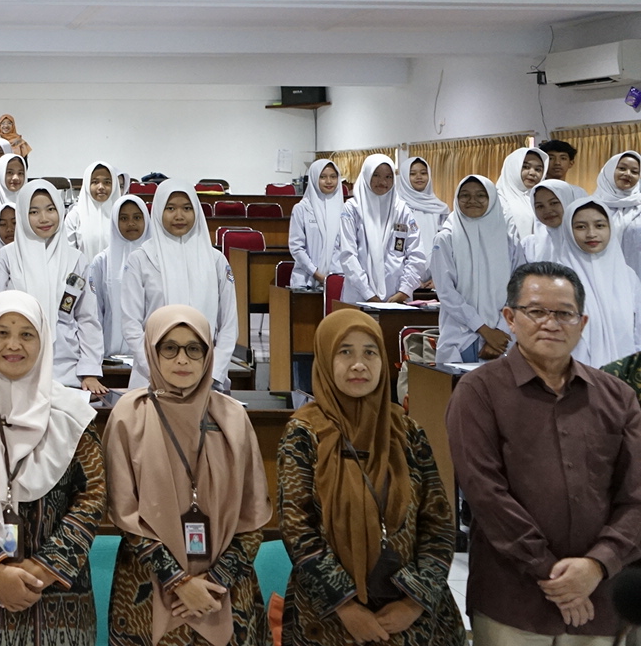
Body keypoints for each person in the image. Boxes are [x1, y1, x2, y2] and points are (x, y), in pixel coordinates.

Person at [448, 262, 641, 642]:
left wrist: (597, 566)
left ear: (582, 323)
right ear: (510, 317)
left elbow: (636, 496)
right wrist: (554, 576)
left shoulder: (617, 396)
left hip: (599, 599)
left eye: (564, 313)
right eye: (536, 311)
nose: (550, 323)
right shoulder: (478, 392)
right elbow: (487, 496)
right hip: (513, 601)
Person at [279, 308, 465, 644]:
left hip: (412, 616)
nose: (359, 364)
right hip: (330, 619)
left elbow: (437, 522)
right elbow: (298, 531)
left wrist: (414, 601)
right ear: (324, 358)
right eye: (345, 351)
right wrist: (347, 608)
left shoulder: (407, 431)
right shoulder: (304, 434)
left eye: (370, 352)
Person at [0, 292, 106, 645]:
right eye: (2, 333)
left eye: (27, 334)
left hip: (55, 595)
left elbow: (92, 498)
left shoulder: (72, 412)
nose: (14, 345)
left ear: (44, 339)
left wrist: (42, 570)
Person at [106, 305, 271, 646]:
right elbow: (124, 513)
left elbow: (253, 517)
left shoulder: (232, 418)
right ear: (152, 351)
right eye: (170, 348)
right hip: (148, 591)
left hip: (225, 592)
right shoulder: (130, 416)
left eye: (194, 349)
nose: (182, 360)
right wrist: (180, 582)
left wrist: (215, 582)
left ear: (208, 355)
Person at [0, 181, 106, 394]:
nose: (44, 218)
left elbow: (87, 318)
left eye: (50, 209)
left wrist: (90, 371)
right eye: (34, 211)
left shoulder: (76, 260)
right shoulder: (6, 258)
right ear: (23, 214)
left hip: (67, 369)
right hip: (15, 367)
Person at [120, 181, 238, 391]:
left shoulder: (216, 261)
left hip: (205, 376)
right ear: (158, 211)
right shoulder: (141, 259)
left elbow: (229, 324)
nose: (179, 216)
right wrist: (156, 371)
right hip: (152, 379)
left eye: (186, 208)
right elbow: (131, 324)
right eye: (170, 208)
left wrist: (213, 372)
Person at [430, 176, 521, 365]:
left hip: (502, 341)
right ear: (456, 199)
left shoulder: (509, 243)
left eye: (481, 195)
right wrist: (484, 330)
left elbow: (519, 290)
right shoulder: (445, 239)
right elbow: (446, 292)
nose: (473, 200)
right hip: (461, 337)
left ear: (492, 200)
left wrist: (500, 333)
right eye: (465, 195)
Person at [546, 199, 641, 369]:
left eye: (599, 226)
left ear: (610, 228)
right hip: (571, 376)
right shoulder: (556, 278)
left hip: (623, 376)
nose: (591, 234)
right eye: (581, 227)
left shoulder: (628, 276)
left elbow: (638, 330)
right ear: (568, 230)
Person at [332, 155, 426, 305]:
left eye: (388, 177)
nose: (383, 182)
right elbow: (348, 255)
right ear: (366, 175)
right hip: (359, 296)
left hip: (396, 298)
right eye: (376, 175)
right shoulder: (352, 209)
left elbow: (417, 254)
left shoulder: (402, 210)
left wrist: (404, 291)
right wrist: (368, 294)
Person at [85, 193, 151, 358]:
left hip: (150, 354)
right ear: (114, 222)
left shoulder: (156, 259)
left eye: (137, 217)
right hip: (109, 353)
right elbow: (95, 311)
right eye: (123, 218)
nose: (131, 223)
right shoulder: (101, 261)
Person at [289, 160, 344, 288]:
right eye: (323, 177)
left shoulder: (345, 211)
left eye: (333, 177)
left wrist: (333, 277)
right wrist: (316, 273)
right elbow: (296, 247)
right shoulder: (301, 208)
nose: (329, 181)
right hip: (305, 280)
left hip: (336, 279)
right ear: (314, 178)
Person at [63, 160, 122, 264]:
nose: (101, 187)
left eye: (107, 182)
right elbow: (69, 254)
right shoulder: (75, 216)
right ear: (86, 184)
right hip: (82, 276)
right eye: (95, 182)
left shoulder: (121, 215)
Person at [394, 157, 449, 270]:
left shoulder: (440, 209)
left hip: (435, 277)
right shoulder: (397, 208)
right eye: (412, 174)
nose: (419, 177)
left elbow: (446, 246)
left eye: (423, 173)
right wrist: (409, 279)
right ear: (404, 177)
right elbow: (395, 248)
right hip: (403, 278)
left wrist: (437, 277)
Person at [496, 147, 550, 241]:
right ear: (512, 168)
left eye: (538, 169)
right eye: (525, 167)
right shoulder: (497, 200)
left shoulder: (541, 201)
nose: (533, 173)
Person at [594, 150, 641, 231]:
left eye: (634, 171)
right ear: (609, 170)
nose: (628, 174)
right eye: (622, 168)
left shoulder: (638, 205)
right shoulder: (589, 205)